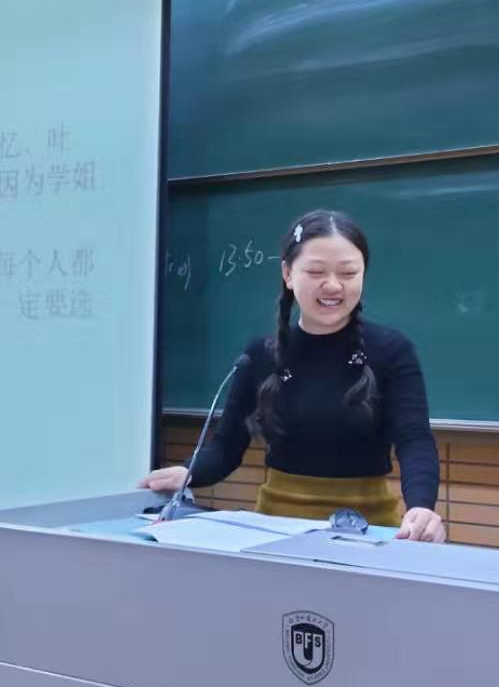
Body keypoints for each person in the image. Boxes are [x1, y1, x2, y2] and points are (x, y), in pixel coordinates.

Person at [142, 209, 446, 542]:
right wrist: (189, 471)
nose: (333, 285)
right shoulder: (260, 354)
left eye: (349, 273)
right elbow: (226, 448)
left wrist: (421, 506)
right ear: (288, 273)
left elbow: (414, 439)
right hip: (275, 528)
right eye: (316, 271)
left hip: (367, 528)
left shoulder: (391, 349)